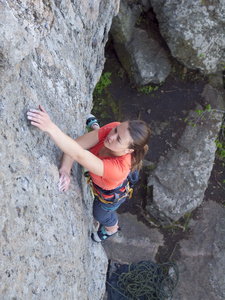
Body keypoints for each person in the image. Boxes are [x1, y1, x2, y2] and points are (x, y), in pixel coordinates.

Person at [27, 105, 151, 242]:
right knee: (102, 137)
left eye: (119, 139)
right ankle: (96, 128)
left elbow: (79, 154)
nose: (112, 136)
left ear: (129, 151)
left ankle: (112, 229)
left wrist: (50, 127)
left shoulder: (117, 169)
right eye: (116, 130)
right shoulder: (113, 129)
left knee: (99, 215)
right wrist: (65, 170)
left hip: (108, 195)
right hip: (101, 165)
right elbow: (76, 145)